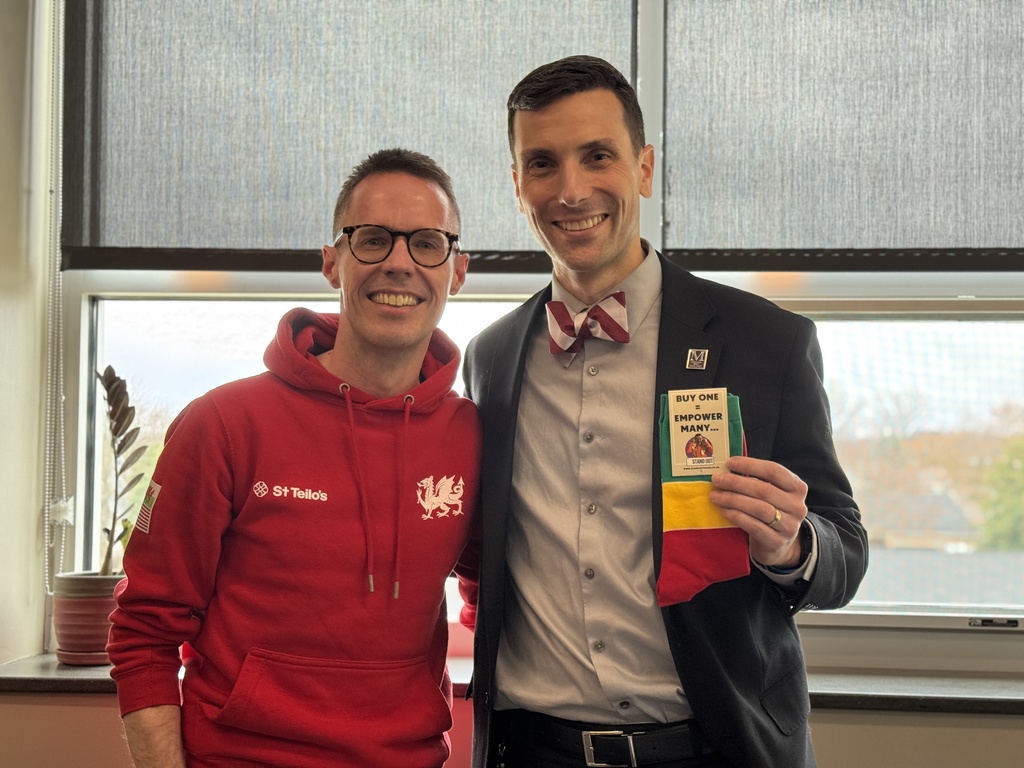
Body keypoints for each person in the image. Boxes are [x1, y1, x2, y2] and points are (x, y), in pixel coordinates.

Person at [463, 55, 868, 767]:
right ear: (517, 185)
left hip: (714, 748)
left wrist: (792, 546)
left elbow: (845, 552)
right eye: (542, 164)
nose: (572, 189)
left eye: (598, 157)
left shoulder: (765, 342)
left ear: (644, 168)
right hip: (529, 750)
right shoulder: (490, 359)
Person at [108, 148, 481, 768]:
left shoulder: (471, 437)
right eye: (372, 240)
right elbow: (144, 633)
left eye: (426, 243)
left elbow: (490, 595)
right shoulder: (223, 424)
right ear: (333, 263)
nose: (397, 263)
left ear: (457, 271)